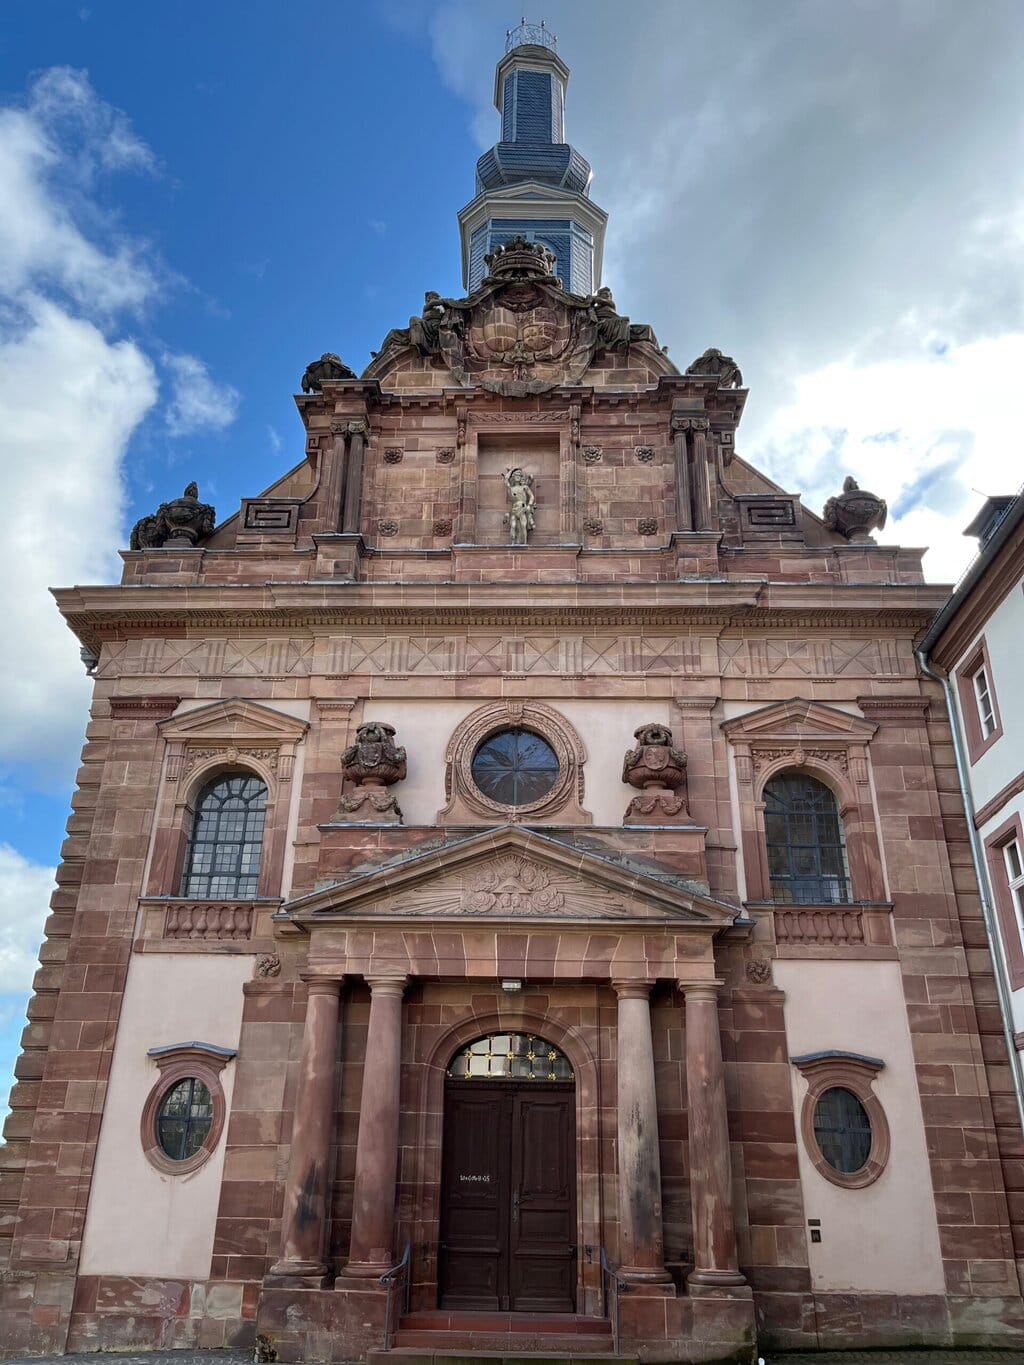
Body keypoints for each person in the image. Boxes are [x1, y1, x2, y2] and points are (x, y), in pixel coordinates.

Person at [503, 467, 536, 544]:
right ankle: (513, 543)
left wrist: (529, 505)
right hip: (514, 508)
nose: (518, 477)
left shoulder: (525, 487)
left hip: (522, 508)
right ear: (513, 477)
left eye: (519, 475)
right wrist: (511, 471)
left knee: (523, 525)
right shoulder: (511, 488)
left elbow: (531, 496)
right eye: (516, 475)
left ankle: (524, 543)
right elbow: (506, 480)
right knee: (513, 526)